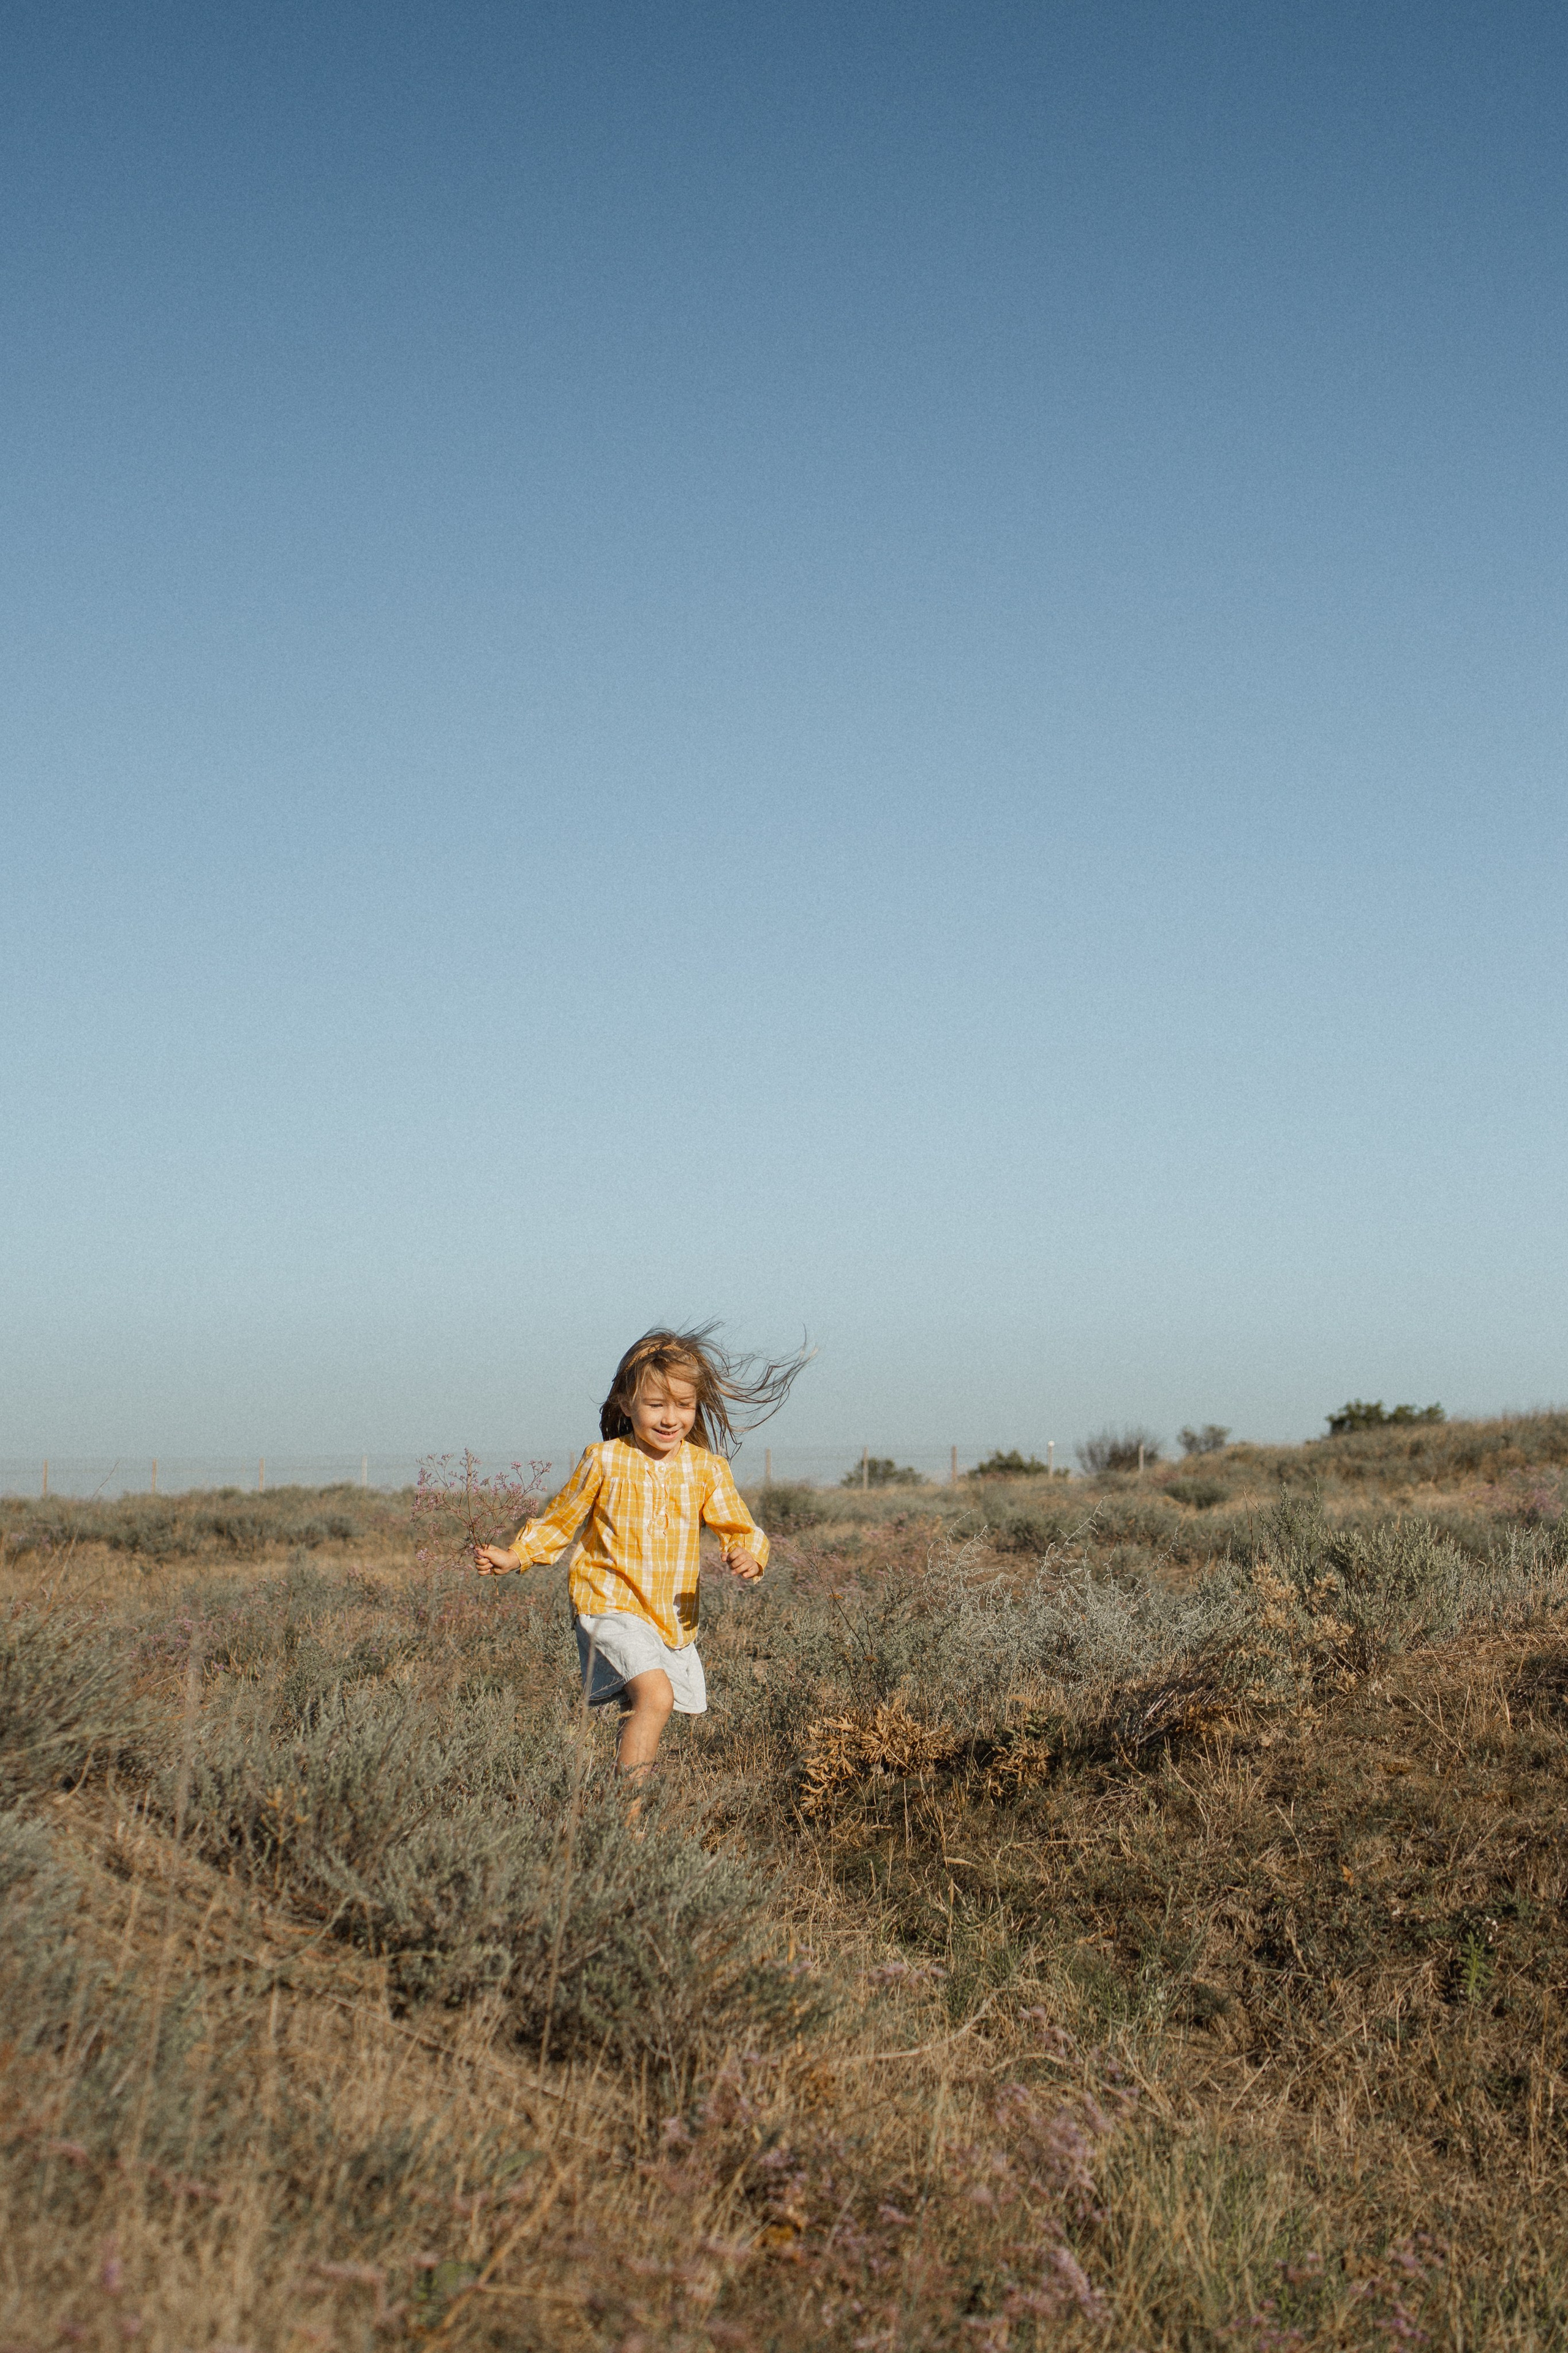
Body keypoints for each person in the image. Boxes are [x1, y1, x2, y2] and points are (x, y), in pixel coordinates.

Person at [475, 1326, 808, 1799]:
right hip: (607, 1600)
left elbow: (739, 1526)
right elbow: (560, 1521)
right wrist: (515, 1556)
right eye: (656, 1405)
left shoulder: (706, 1468)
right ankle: (626, 1827)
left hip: (668, 1616)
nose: (671, 1418)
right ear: (627, 1403)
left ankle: (616, 1808)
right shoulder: (605, 1460)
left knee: (647, 1706)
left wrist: (750, 1555)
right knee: (656, 1696)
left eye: (684, 1405)